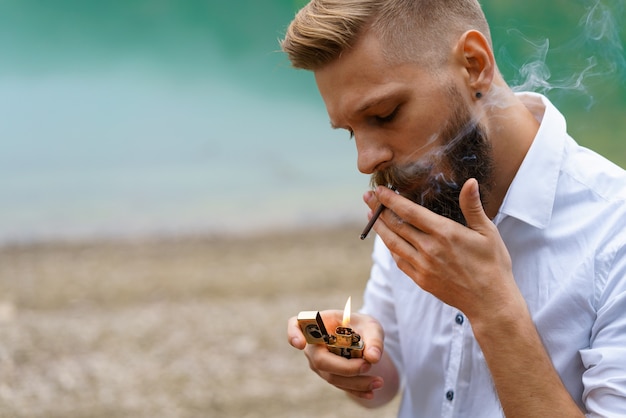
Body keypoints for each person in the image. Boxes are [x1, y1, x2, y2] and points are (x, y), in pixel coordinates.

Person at [281, 0, 626, 417]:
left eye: (384, 114)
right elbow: (386, 382)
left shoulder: (615, 231)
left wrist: (493, 309)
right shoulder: (422, 195)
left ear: (474, 64)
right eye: (350, 132)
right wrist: (358, 353)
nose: (366, 161)